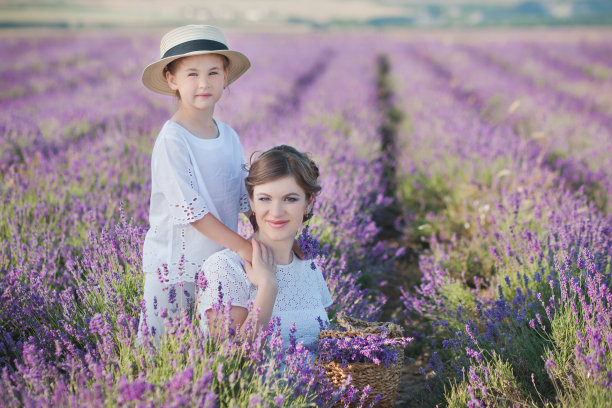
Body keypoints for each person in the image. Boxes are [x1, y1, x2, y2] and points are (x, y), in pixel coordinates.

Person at [138, 25, 253, 342]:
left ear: (226, 77)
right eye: (191, 74)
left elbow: (246, 197)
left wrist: (273, 241)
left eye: (213, 72)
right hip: (174, 269)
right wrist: (245, 247)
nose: (204, 83)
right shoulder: (173, 139)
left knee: (215, 350)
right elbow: (193, 212)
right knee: (160, 351)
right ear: (171, 79)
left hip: (220, 266)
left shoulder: (229, 136)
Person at [198, 145, 333, 349]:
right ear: (251, 202)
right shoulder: (225, 268)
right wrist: (268, 287)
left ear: (308, 203)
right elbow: (228, 359)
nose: (276, 212)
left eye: (290, 199)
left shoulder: (310, 268)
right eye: (265, 199)